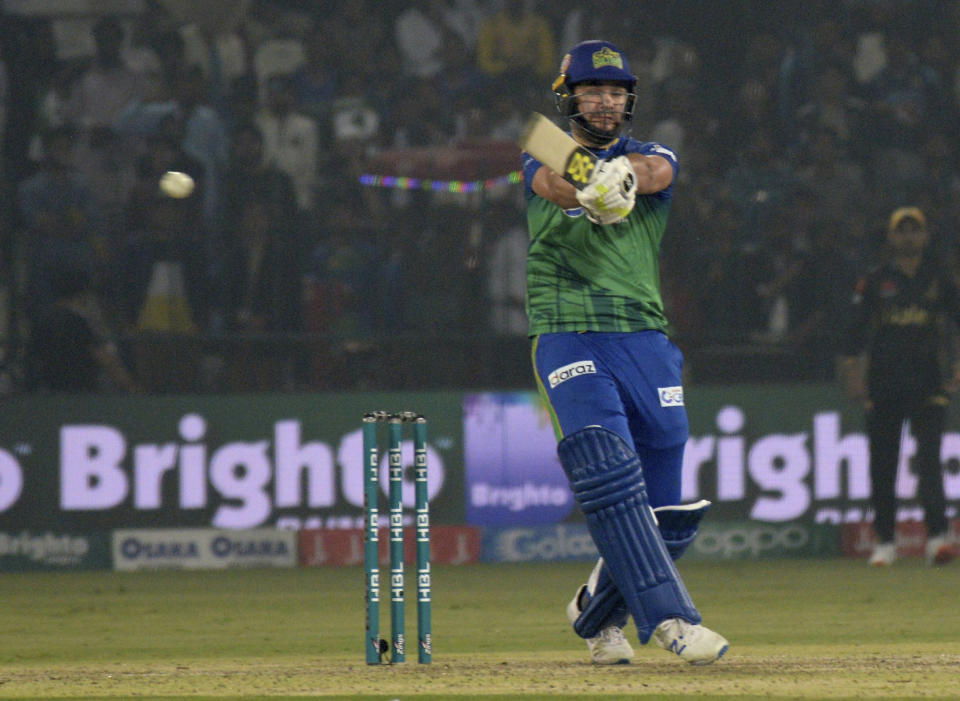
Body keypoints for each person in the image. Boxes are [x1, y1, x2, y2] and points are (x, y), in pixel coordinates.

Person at [521, 39, 728, 666]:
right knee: (607, 469)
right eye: (593, 91)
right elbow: (554, 179)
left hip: (644, 335)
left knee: (667, 508)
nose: (607, 101)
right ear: (570, 96)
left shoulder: (653, 153)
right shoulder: (540, 146)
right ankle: (670, 618)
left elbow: (659, 173)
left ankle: (595, 611)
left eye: (616, 92)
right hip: (567, 328)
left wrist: (624, 178)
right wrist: (589, 187)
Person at [839, 207, 959, 567]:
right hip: (884, 385)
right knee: (883, 466)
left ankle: (938, 538)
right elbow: (854, 335)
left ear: (925, 236)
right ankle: (885, 542)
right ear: (891, 238)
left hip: (929, 383)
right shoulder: (876, 280)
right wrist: (854, 377)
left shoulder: (939, 277)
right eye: (901, 231)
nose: (908, 236)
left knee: (929, 464)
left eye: (914, 230)